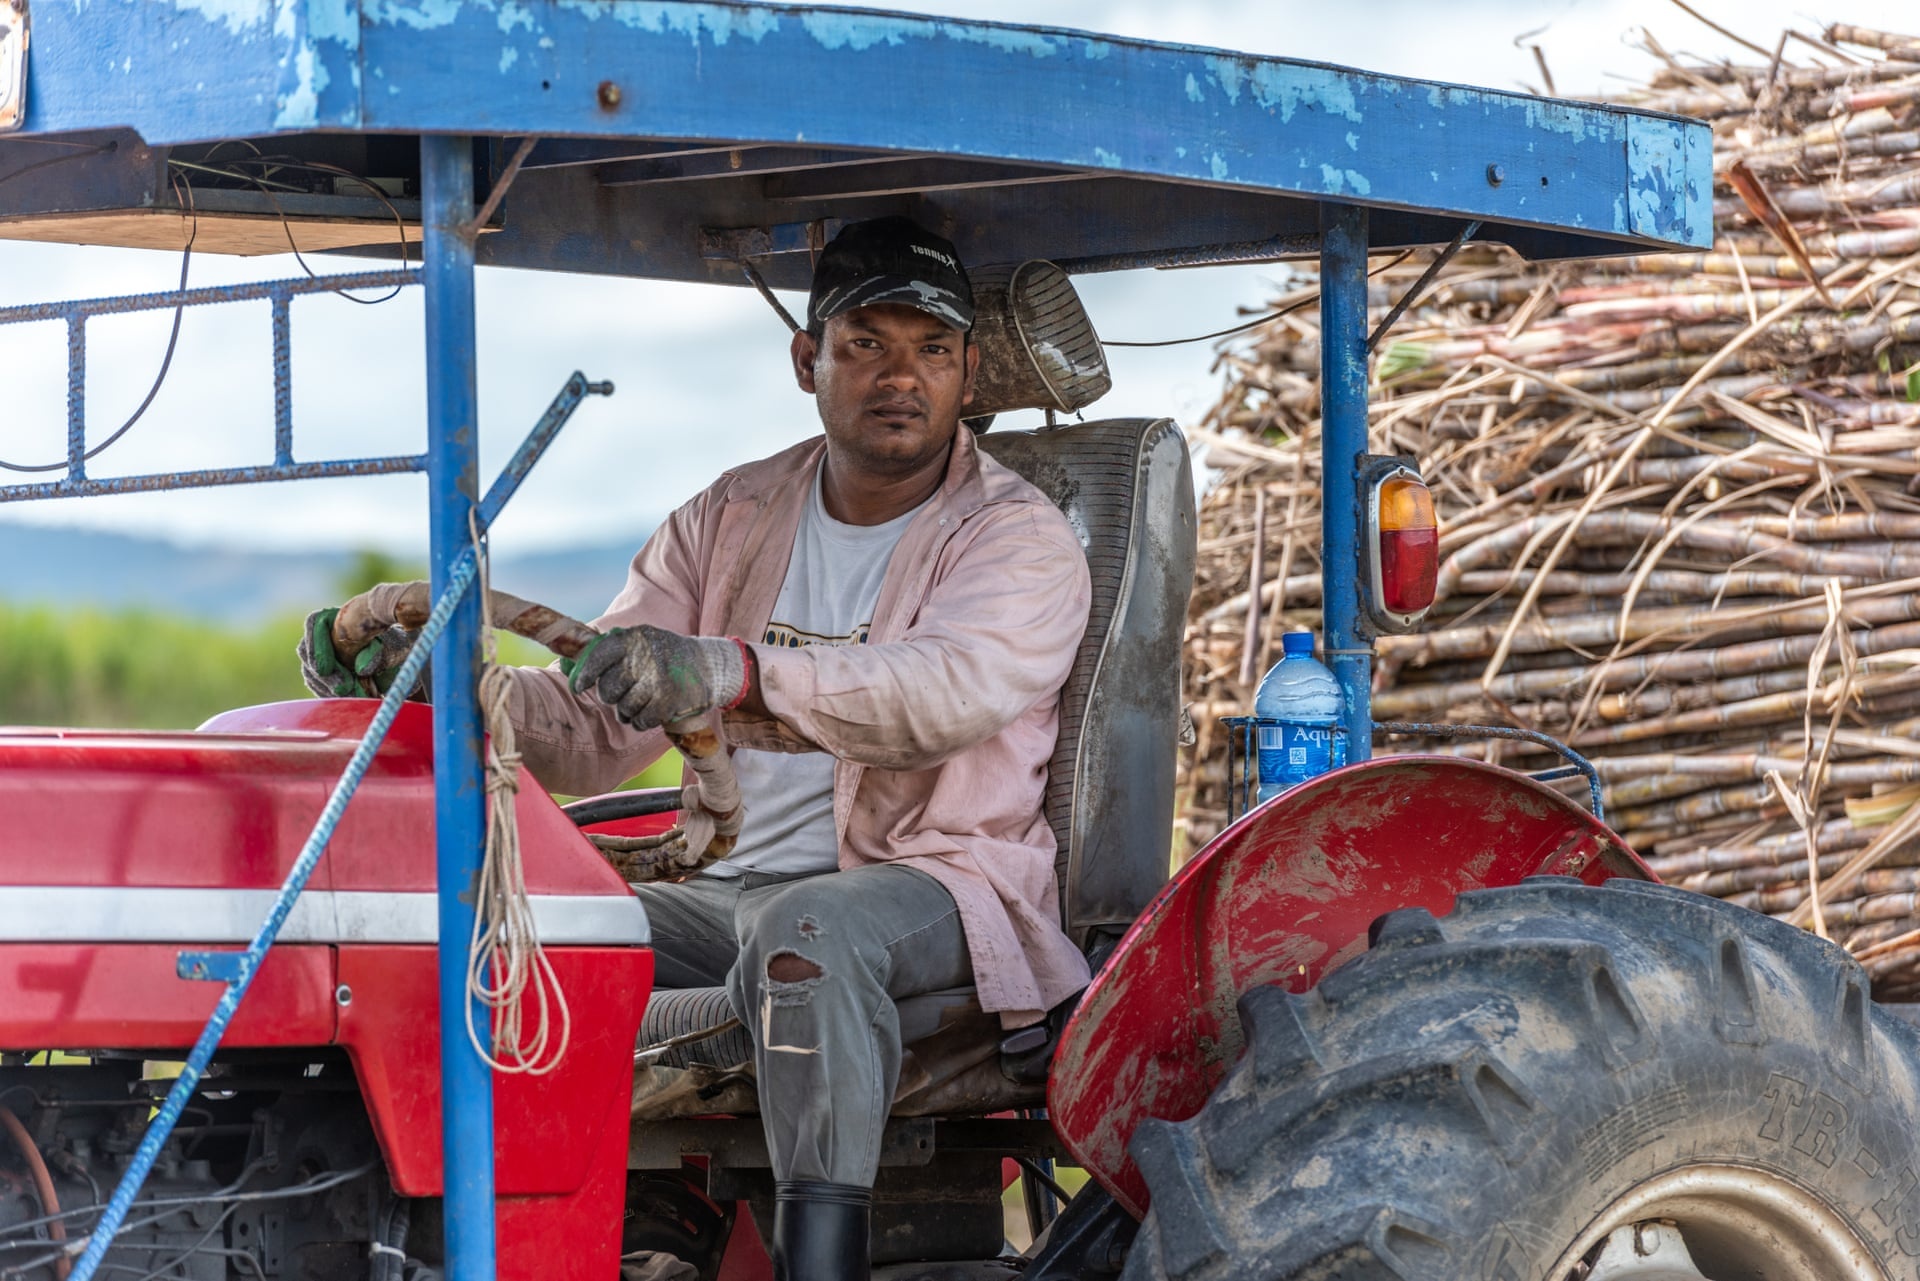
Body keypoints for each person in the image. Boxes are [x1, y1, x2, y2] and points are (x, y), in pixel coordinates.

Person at [299, 217, 1094, 1280]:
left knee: (810, 936)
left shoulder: (1017, 535)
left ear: (968, 371)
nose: (899, 377)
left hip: (931, 881)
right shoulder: (729, 515)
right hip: (723, 881)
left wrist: (733, 672)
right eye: (865, 344)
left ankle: (823, 1259)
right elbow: (592, 729)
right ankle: (498, 1233)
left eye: (930, 350)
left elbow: (938, 694)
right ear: (809, 360)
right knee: (509, 913)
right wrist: (451, 690)